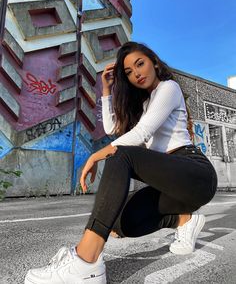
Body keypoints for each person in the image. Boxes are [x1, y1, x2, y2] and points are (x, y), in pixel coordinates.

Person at [25, 42, 217, 284]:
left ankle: (86, 261)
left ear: (154, 63)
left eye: (140, 64)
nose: (136, 73)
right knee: (118, 223)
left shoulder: (169, 88)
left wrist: (95, 156)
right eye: (128, 72)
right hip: (168, 185)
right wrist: (106, 91)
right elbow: (112, 129)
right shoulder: (145, 105)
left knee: (120, 154)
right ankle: (184, 220)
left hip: (195, 173)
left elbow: (141, 134)